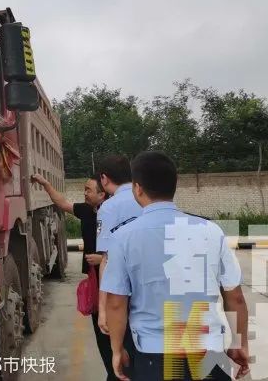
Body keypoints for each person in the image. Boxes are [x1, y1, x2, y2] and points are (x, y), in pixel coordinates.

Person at [101, 151, 250, 381]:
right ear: (174, 185)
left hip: (153, 355)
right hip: (206, 352)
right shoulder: (211, 231)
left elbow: (116, 302)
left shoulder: (123, 237)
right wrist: (240, 343)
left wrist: (117, 349)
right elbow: (235, 297)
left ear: (137, 188)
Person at [30, 173, 115, 379]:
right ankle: (111, 371)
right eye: (85, 189)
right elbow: (62, 203)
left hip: (111, 281)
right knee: (99, 328)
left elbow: (125, 245)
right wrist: (46, 184)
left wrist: (104, 258)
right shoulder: (86, 211)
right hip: (94, 279)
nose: (84, 193)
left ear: (102, 195)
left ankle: (116, 370)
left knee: (112, 327)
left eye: (88, 190)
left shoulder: (113, 213)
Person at [95, 155, 142, 334]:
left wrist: (103, 309)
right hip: (154, 287)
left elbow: (107, 260)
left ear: (104, 178)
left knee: (124, 343)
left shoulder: (108, 207)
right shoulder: (146, 197)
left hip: (124, 292)